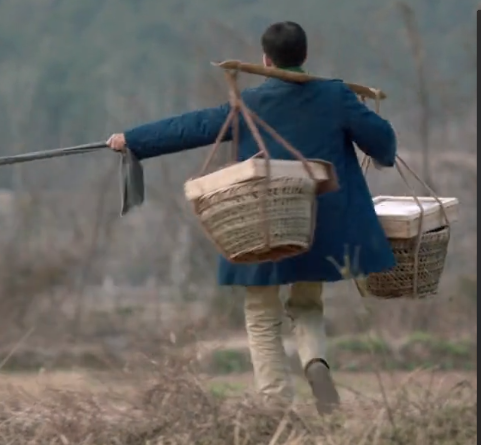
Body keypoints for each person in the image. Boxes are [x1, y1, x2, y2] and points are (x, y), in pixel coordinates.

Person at [106, 21, 397, 414]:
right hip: (319, 223)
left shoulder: (251, 103)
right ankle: (315, 363)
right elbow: (381, 140)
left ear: (265, 59)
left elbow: (191, 127)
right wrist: (381, 152)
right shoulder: (336, 95)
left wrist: (133, 139)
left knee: (262, 313)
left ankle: (275, 405)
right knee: (308, 303)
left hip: (262, 222)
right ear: (305, 56)